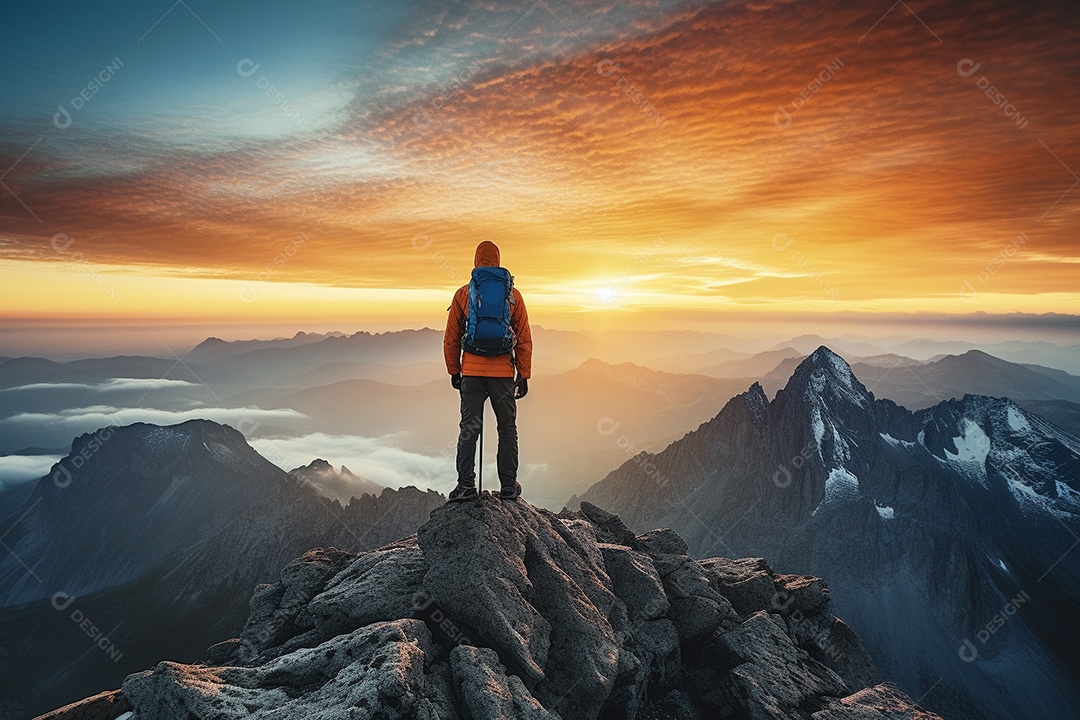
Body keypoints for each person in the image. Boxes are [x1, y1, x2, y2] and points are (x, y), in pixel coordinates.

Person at [443, 241, 532, 501]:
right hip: (503, 374)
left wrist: (454, 370)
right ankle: (508, 487)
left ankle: (466, 486)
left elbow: (451, 337)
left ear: (476, 262)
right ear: (498, 261)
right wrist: (523, 374)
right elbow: (524, 338)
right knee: (507, 429)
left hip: (471, 372)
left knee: (469, 429)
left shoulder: (463, 294)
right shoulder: (513, 295)